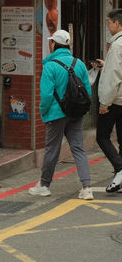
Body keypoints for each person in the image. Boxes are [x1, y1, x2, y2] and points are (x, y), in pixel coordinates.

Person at [29, 29, 93, 200]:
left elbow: (46, 96)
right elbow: (87, 91)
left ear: (53, 44)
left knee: (52, 150)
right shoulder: (78, 64)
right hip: (76, 113)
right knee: (78, 148)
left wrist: (44, 112)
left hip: (56, 115)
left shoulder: (50, 66)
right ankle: (87, 187)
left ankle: (44, 185)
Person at [94, 8, 122, 193]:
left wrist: (104, 103)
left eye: (108, 23)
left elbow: (114, 77)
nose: (107, 26)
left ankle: (120, 169)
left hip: (115, 100)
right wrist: (106, 65)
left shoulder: (117, 46)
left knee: (102, 136)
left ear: (117, 23)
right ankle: (119, 178)